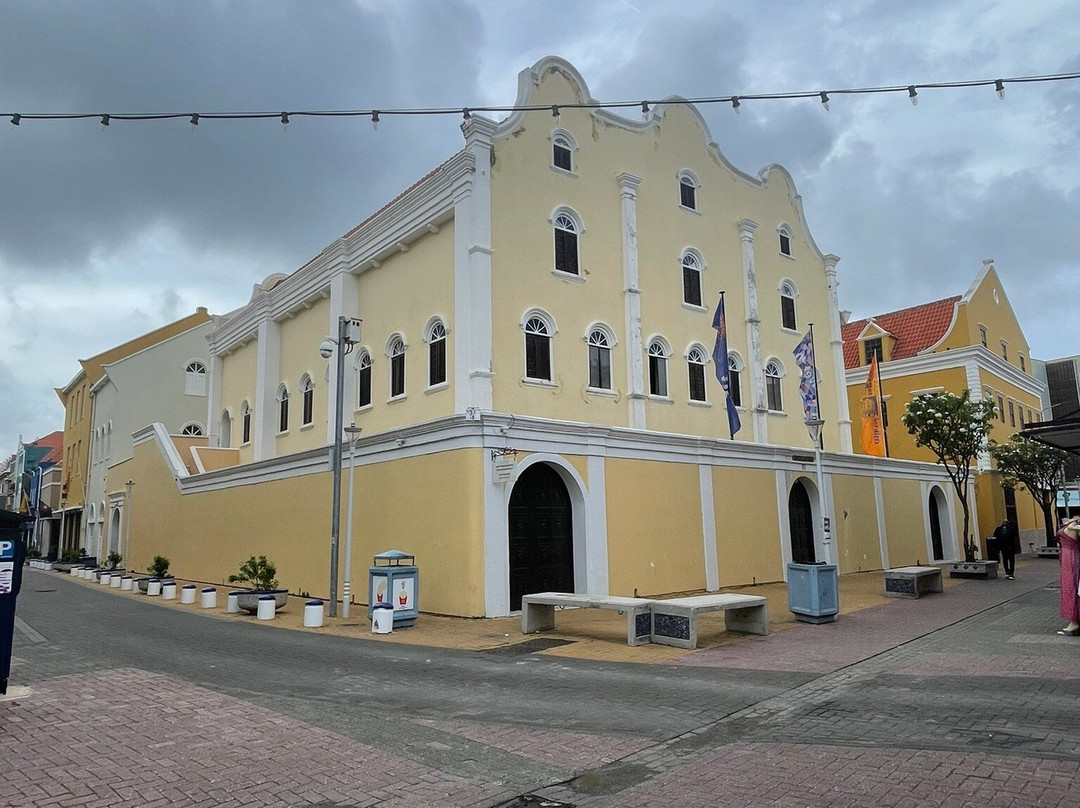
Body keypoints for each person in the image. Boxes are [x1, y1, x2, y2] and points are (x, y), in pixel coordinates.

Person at [1054, 517, 1080, 636]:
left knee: (1071, 587)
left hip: (1070, 558)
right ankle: (1074, 621)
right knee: (1069, 587)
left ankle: (1074, 621)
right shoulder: (1071, 524)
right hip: (1068, 557)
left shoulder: (1073, 526)